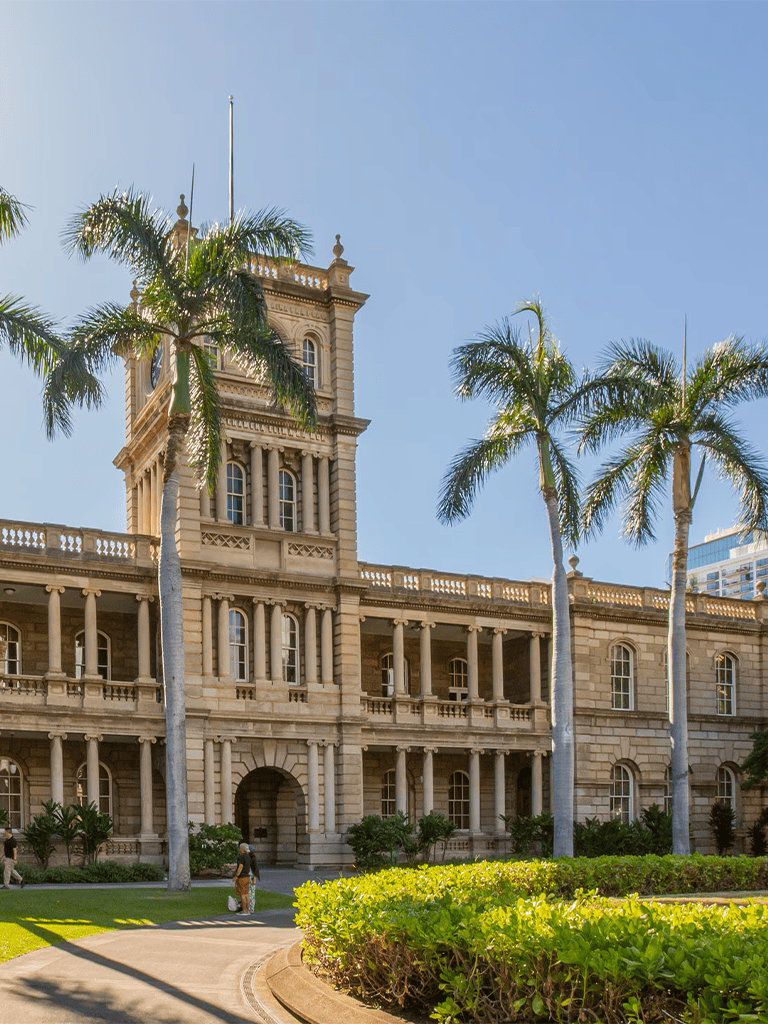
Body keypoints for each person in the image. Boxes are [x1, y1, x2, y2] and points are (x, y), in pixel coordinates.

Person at [232, 842, 250, 913]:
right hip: (247, 877)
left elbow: (240, 866)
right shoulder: (248, 857)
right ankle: (247, 909)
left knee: (242, 894)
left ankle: (244, 910)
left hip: (241, 877)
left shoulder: (241, 856)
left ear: (242, 850)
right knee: (246, 894)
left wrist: (236, 876)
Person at [247, 844, 260, 914]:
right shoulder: (247, 858)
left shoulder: (253, 859)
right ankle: (247, 907)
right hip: (247, 877)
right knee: (248, 893)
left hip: (251, 877)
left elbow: (255, 870)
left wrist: (254, 879)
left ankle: (251, 908)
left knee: (251, 894)